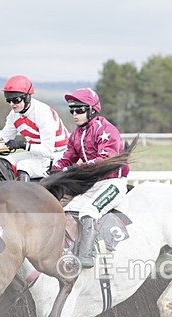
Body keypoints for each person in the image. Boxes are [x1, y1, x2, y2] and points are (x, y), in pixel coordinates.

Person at [51, 88, 129, 268]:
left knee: (89, 212)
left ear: (92, 110)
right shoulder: (77, 134)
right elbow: (66, 158)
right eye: (72, 110)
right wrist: (53, 170)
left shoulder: (106, 130)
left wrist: (76, 168)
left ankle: (88, 255)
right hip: (93, 186)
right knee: (67, 213)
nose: (74, 114)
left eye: (79, 110)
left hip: (113, 183)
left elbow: (104, 160)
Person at [0, 75, 69, 181]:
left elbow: (47, 151)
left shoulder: (43, 114)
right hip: (37, 153)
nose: (12, 104)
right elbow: (5, 136)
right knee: (4, 162)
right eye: (8, 100)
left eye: (16, 100)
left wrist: (22, 144)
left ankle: (25, 196)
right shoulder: (14, 115)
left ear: (27, 97)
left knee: (24, 166)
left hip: (57, 155)